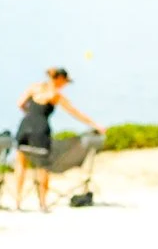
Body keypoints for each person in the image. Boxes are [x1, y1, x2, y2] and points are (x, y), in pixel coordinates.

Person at [11, 66, 102, 211]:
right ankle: (42, 203)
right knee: (43, 166)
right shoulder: (55, 95)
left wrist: (31, 115)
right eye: (65, 82)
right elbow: (75, 113)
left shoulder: (34, 88)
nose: (65, 85)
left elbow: (20, 103)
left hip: (25, 126)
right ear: (60, 79)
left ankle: (17, 201)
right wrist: (95, 125)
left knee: (21, 165)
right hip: (41, 130)